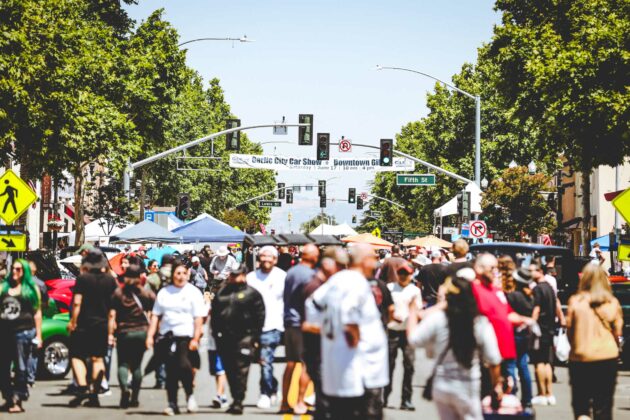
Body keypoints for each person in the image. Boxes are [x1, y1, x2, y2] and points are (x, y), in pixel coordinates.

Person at [406, 276, 503, 420]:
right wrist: (497, 384)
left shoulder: (438, 318)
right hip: (467, 384)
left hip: (442, 384)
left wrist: (412, 312)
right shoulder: (479, 322)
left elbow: (414, 340)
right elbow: (494, 359)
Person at [309, 244, 388, 420]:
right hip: (361, 369)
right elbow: (349, 314)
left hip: (340, 368)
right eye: (374, 258)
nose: (376, 264)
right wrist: (354, 340)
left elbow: (313, 304)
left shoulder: (337, 280)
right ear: (364, 260)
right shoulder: (356, 282)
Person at [146, 259, 206, 416]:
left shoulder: (193, 292)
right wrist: (151, 336)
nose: (181, 276)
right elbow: (155, 316)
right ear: (173, 275)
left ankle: (189, 395)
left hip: (185, 336)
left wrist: (196, 338)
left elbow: (198, 317)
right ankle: (172, 403)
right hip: (167, 336)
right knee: (170, 371)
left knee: (184, 366)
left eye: (184, 273)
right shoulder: (164, 292)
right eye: (177, 273)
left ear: (188, 275)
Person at [567, 264, 623, 420]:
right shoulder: (612, 302)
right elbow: (617, 332)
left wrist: (576, 345)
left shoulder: (576, 302)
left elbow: (570, 331)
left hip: (581, 357)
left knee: (581, 405)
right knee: (603, 405)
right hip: (607, 357)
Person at [211, 265, 266, 415]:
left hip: (244, 337)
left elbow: (259, 316)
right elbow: (215, 314)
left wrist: (255, 337)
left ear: (243, 275)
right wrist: (216, 333)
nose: (234, 278)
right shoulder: (222, 292)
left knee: (241, 370)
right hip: (225, 337)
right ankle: (235, 396)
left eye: (237, 275)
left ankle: (238, 401)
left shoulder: (252, 294)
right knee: (229, 369)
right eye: (232, 275)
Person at [67, 249, 118, 408]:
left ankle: (82, 386)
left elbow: (77, 302)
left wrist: (73, 322)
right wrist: (111, 331)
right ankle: (94, 393)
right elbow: (112, 311)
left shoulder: (83, 279)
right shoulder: (110, 281)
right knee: (98, 359)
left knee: (77, 356)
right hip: (102, 325)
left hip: (83, 324)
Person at [303, 247, 348, 420]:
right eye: (340, 266)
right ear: (328, 264)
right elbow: (308, 325)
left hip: (327, 352)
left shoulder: (327, 286)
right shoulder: (316, 287)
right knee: (325, 400)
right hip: (318, 351)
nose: (342, 271)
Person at [108, 264, 155, 409]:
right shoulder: (146, 294)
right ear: (140, 277)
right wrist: (151, 334)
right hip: (141, 332)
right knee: (136, 366)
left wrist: (110, 334)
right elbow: (154, 314)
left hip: (124, 332)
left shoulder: (118, 293)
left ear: (126, 277)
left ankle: (125, 391)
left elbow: (112, 315)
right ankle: (134, 397)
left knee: (123, 364)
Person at [279, 244, 319, 415]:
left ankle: (284, 403)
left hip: (289, 322)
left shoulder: (291, 272)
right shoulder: (310, 275)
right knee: (306, 364)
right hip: (301, 323)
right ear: (312, 256)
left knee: (290, 363)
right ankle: (300, 401)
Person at [245, 246, 286, 409]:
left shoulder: (283, 277)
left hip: (274, 325)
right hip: (253, 328)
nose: (266, 259)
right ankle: (273, 387)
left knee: (265, 359)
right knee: (263, 361)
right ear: (258, 259)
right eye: (263, 256)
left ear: (275, 259)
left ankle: (265, 393)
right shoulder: (250, 278)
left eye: (270, 257)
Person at [0, 259, 42, 413]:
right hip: (4, 333)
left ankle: (18, 399)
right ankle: (8, 397)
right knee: (3, 368)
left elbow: (37, 313)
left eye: (19, 269)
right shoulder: (4, 288)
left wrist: (39, 335)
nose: (15, 271)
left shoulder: (30, 290)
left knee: (20, 367)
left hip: (23, 332)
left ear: (24, 271)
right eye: (13, 268)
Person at [384, 260, 421, 411]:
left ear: (411, 275)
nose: (403, 276)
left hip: (408, 332)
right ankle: (384, 397)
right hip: (392, 331)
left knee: (409, 366)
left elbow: (418, 310)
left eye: (406, 273)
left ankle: (406, 399)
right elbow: (385, 307)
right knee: (389, 366)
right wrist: (391, 317)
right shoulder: (390, 288)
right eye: (401, 273)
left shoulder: (414, 291)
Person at [530, 259, 564, 406]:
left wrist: (530, 323)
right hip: (550, 327)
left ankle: (541, 393)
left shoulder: (538, 289)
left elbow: (536, 309)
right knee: (548, 362)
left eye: (532, 270)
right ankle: (549, 393)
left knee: (539, 363)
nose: (530, 273)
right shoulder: (550, 287)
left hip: (540, 329)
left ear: (540, 271)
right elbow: (556, 303)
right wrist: (561, 318)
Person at [505, 266, 535, 409]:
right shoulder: (531, 297)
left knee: (511, 365)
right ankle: (527, 399)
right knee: (523, 366)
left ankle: (512, 394)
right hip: (526, 334)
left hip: (513, 333)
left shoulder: (513, 296)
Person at [27, 260, 48, 387]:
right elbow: (45, 303)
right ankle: (30, 378)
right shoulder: (40, 284)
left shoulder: (15, 283)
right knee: (32, 351)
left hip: (20, 321)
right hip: (35, 320)